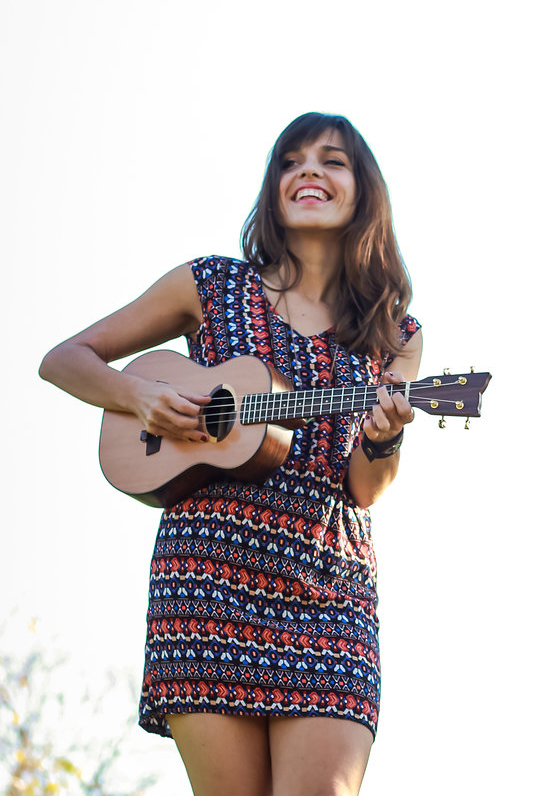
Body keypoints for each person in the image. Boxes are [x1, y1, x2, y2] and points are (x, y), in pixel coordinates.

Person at [39, 112, 422, 796]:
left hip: (327, 583)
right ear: (273, 189)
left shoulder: (394, 331)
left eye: (332, 161)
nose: (308, 171)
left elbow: (364, 487)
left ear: (365, 189)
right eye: (290, 161)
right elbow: (64, 359)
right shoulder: (209, 285)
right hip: (209, 575)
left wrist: (385, 433)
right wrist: (138, 397)